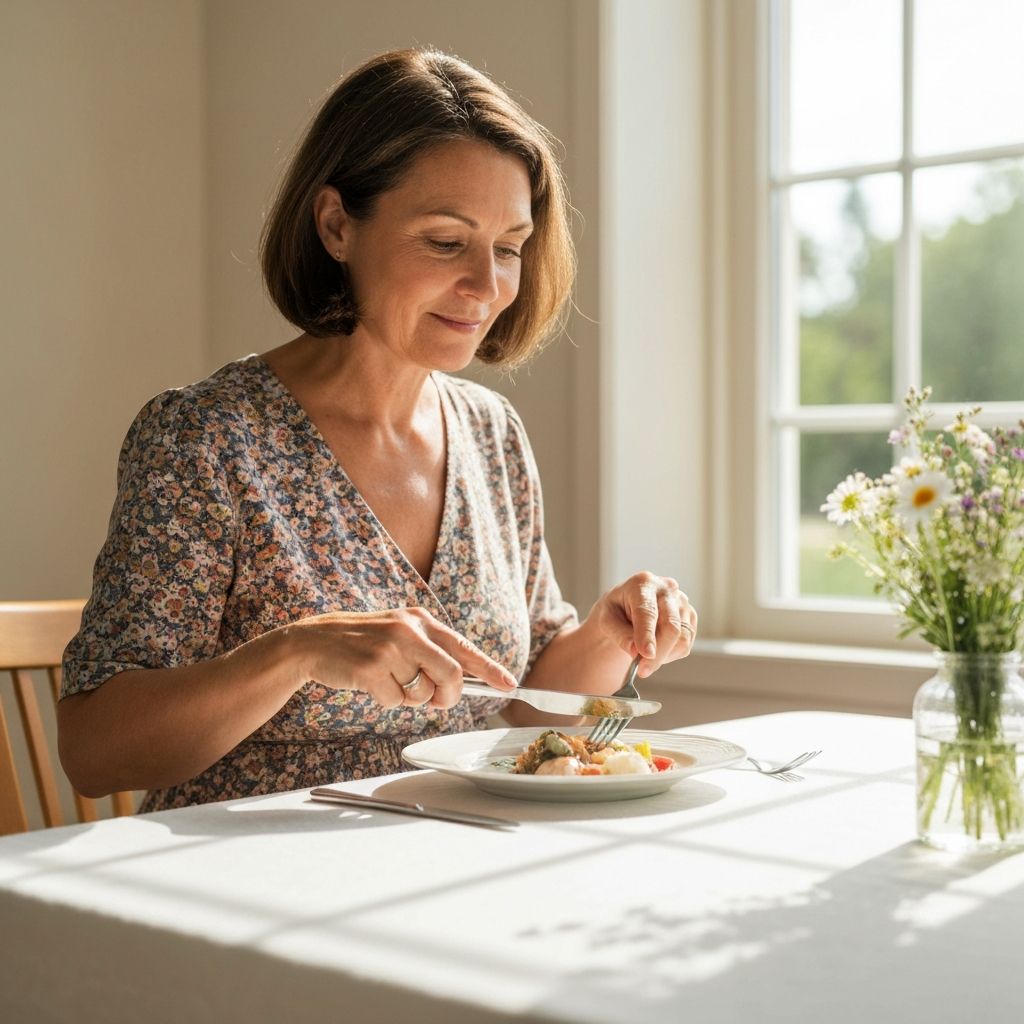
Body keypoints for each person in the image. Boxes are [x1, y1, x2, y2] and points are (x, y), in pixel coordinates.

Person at [58, 48, 697, 811]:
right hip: (240, 886)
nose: (487, 287)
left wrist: (607, 633)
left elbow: (520, 704)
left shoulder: (492, 433)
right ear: (336, 225)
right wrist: (295, 652)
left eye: (508, 248)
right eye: (444, 241)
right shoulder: (204, 439)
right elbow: (95, 755)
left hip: (451, 857)